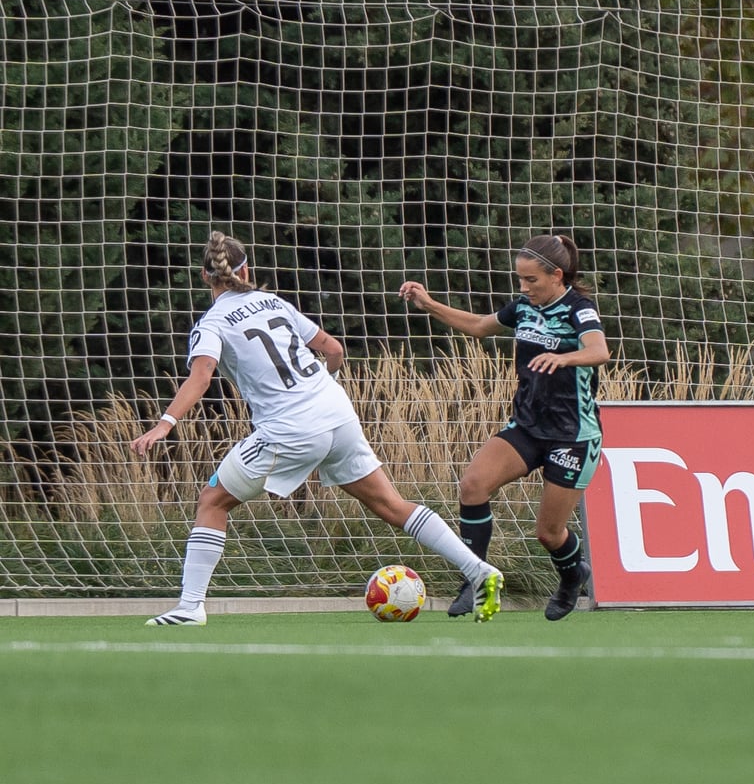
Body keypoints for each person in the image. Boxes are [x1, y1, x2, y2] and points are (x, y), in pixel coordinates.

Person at [131, 230, 503, 626]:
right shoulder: (274, 302)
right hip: (336, 412)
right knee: (392, 505)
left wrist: (164, 424)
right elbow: (334, 350)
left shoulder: (212, 323)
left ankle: (190, 607)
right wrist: (322, 389)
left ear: (205, 277)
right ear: (247, 270)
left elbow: (201, 376)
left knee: (212, 501)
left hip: (289, 428)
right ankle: (477, 568)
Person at [399, 234, 610, 621]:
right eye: (520, 280)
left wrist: (564, 359)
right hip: (527, 427)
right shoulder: (524, 308)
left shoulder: (578, 309)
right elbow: (481, 326)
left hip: (573, 436)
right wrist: (428, 304)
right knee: (473, 485)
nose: (524, 288)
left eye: (531, 280)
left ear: (556, 276)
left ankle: (572, 576)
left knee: (549, 533)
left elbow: (599, 351)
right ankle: (474, 577)